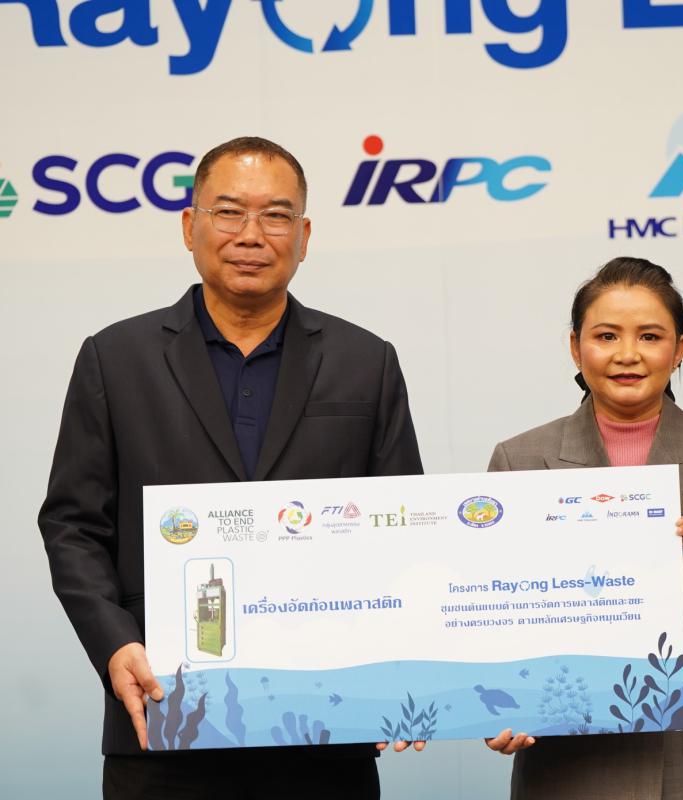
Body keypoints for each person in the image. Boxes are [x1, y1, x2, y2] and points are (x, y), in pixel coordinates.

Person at [39, 136, 424, 799]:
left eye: (275, 215)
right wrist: (115, 644)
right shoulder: (116, 358)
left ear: (303, 236)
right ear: (190, 226)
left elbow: (402, 527)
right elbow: (73, 526)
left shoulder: (367, 361)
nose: (251, 235)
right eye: (229, 212)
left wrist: (402, 669)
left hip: (325, 726)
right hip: (163, 716)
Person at [484, 257, 683, 799]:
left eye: (650, 336)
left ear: (679, 349)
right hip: (569, 751)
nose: (627, 354)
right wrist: (500, 703)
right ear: (575, 348)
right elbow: (493, 610)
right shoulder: (521, 460)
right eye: (606, 335)